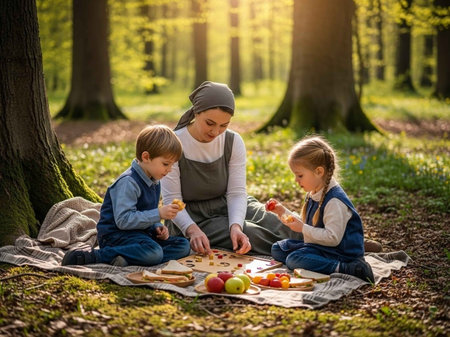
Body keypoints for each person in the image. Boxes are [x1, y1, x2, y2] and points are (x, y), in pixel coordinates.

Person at [161, 81, 301, 256]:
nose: (216, 132)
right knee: (252, 234)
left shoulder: (233, 141)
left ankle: (327, 242)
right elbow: (172, 200)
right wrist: (192, 231)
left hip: (229, 201)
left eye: (223, 125)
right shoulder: (173, 144)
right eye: (210, 123)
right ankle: (308, 253)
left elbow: (236, 193)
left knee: (281, 222)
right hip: (193, 217)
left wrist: (235, 225)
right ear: (196, 112)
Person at [62, 125, 191, 267]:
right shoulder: (128, 182)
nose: (169, 169)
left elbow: (146, 211)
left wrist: (156, 227)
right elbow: (123, 221)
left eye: (172, 164)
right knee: (154, 252)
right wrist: (158, 214)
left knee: (183, 245)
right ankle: (92, 256)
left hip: (141, 236)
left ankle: (127, 258)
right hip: (116, 236)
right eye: (166, 164)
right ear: (146, 157)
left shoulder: (155, 180)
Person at [269, 136, 375, 283]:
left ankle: (349, 268)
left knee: (293, 260)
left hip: (340, 253)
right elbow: (306, 223)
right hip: (320, 247)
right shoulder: (314, 192)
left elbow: (332, 238)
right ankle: (314, 261)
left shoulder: (334, 201)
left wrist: (303, 229)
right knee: (277, 249)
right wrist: (282, 211)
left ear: (319, 171)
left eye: (299, 175)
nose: (296, 180)